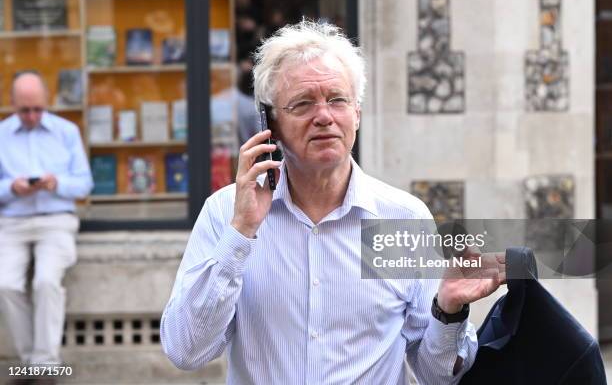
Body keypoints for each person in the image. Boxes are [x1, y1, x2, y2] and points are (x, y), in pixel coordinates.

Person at [161, 21, 505, 384]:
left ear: (356, 113)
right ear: (271, 124)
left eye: (337, 100)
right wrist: (241, 233)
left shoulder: (401, 218)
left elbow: (437, 376)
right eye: (303, 103)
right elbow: (186, 351)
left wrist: (448, 311)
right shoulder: (226, 213)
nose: (323, 116)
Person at [0, 72, 93, 367]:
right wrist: (11, 187)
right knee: (5, 285)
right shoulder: (1, 134)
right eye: (24, 110)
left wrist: (57, 184)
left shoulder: (66, 131)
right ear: (12, 104)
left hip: (56, 220)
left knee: (45, 282)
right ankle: (29, 361)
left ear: (47, 102)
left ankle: (45, 365)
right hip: (12, 223)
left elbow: (84, 184)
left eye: (37, 109)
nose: (31, 116)